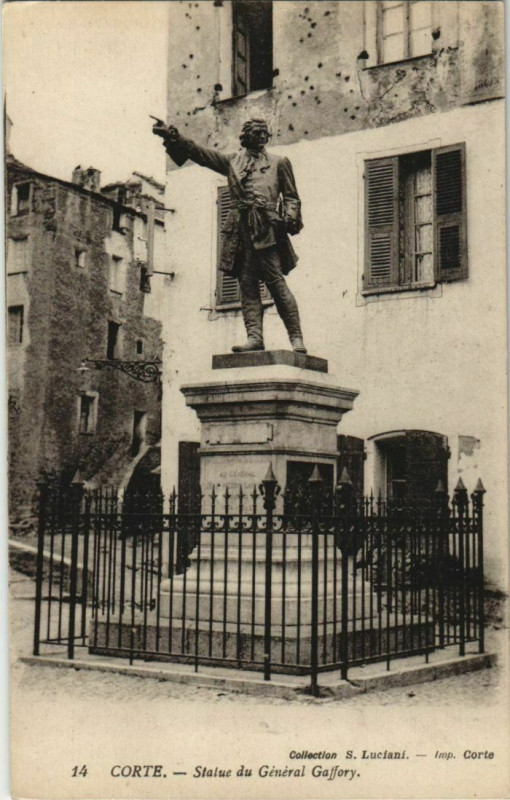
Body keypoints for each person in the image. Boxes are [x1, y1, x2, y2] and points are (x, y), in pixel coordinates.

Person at [153, 117, 307, 353]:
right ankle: (255, 337)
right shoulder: (232, 162)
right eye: (257, 132)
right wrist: (171, 136)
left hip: (266, 229)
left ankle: (296, 338)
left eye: (265, 133)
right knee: (247, 285)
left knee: (276, 283)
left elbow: (292, 197)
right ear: (245, 137)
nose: (262, 136)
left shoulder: (279, 162)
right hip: (240, 231)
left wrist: (288, 217)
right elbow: (200, 153)